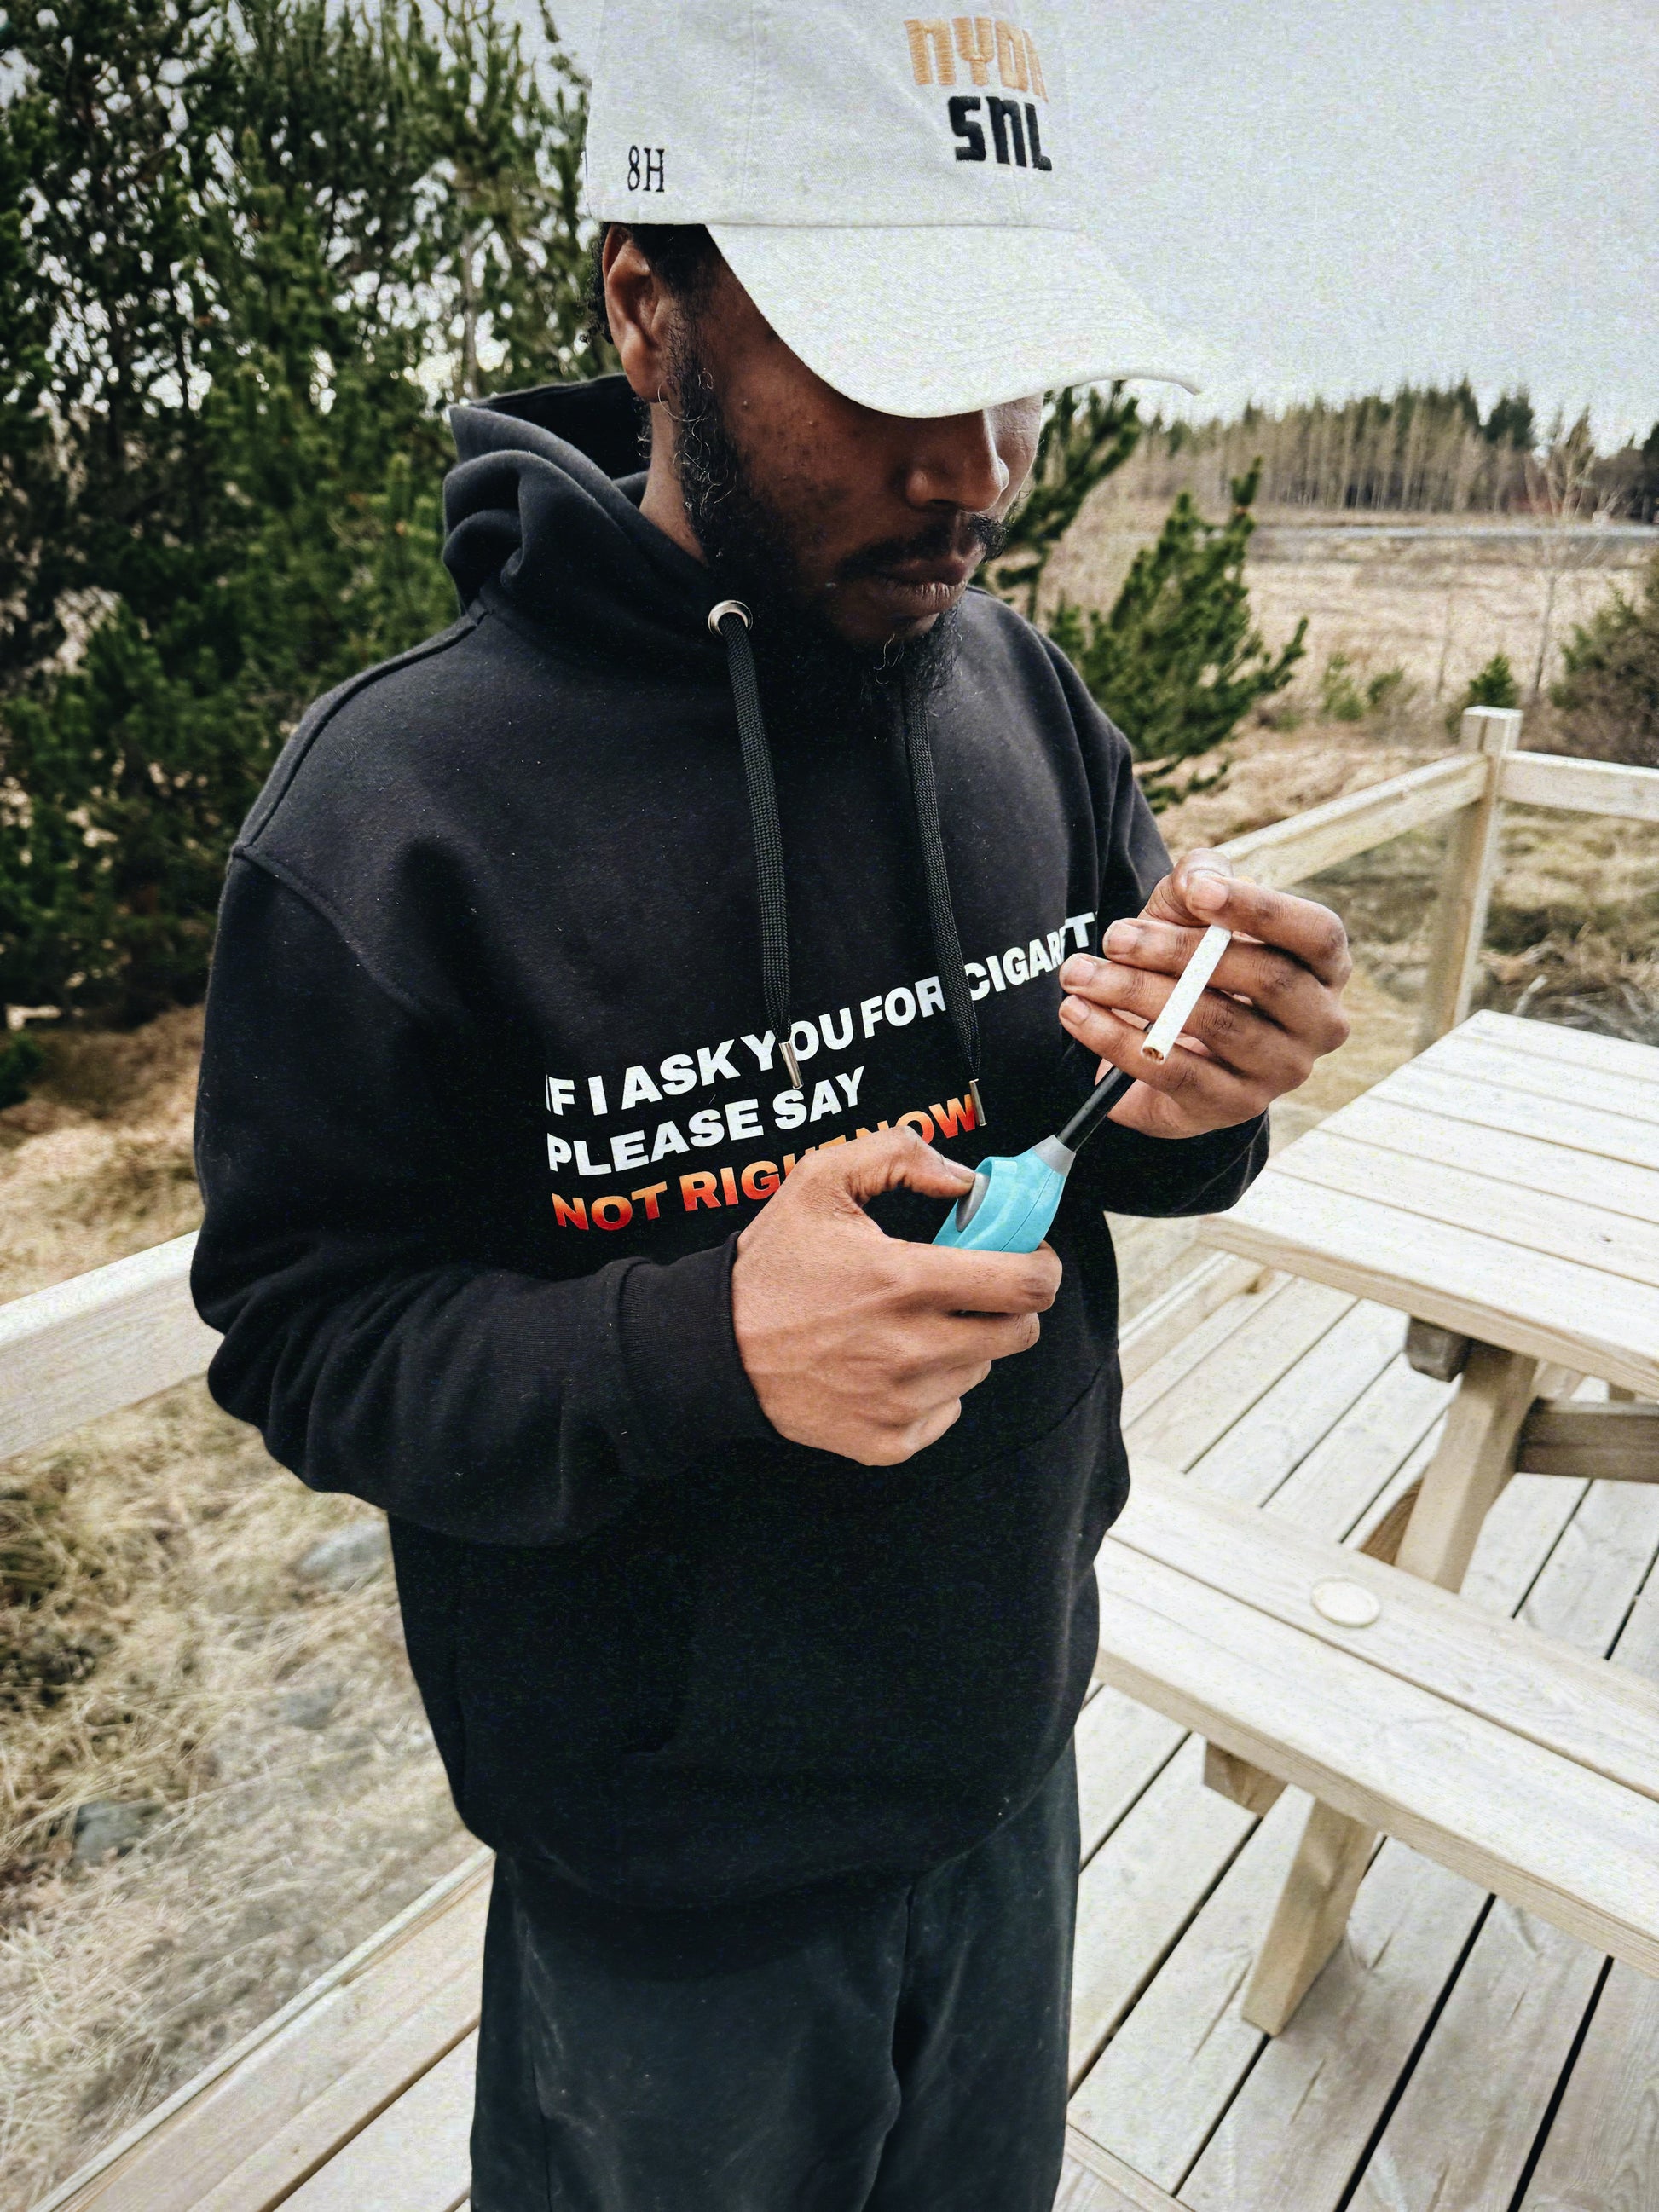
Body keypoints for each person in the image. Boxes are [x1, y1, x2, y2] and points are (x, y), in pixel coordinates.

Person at [190, 5, 1351, 2206]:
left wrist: (1208, 1089)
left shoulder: (1020, 697)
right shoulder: (393, 813)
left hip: (1008, 1769)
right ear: (648, 306)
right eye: (895, 369)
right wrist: (705, 1342)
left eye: (1012, 370)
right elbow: (304, 1335)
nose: (978, 469)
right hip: (661, 1889)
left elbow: (1129, 1128)